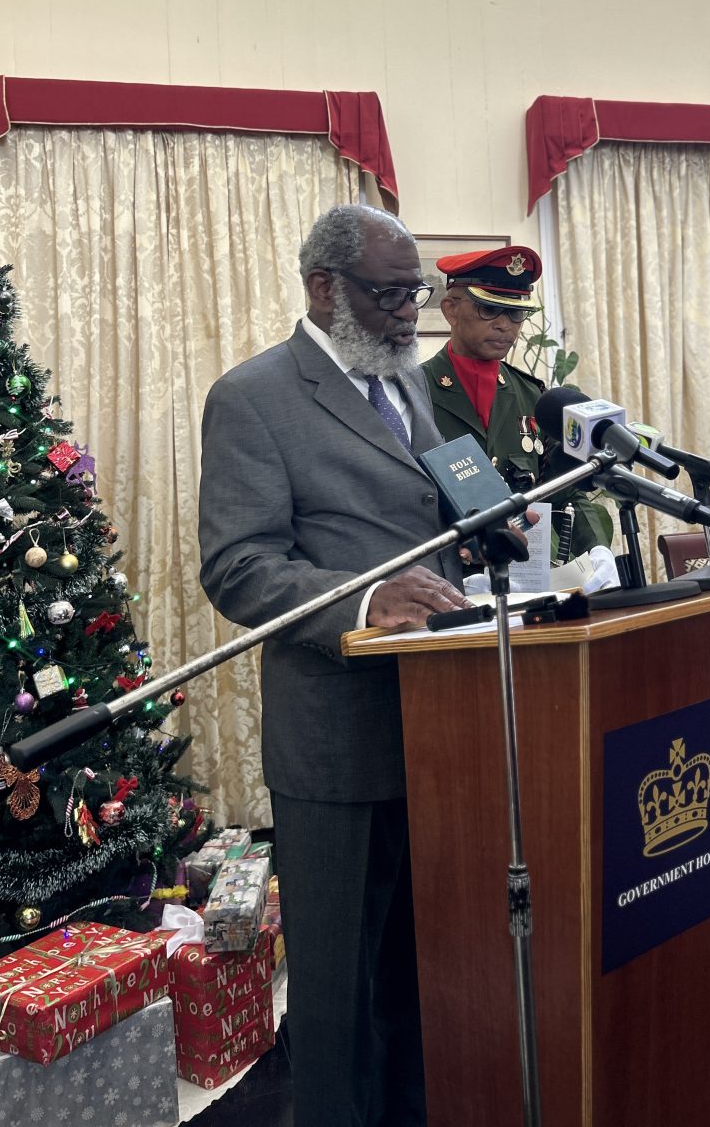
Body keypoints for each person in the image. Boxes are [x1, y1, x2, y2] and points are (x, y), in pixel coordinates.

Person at [198, 204, 473, 1127]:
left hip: (440, 721)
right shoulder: (253, 397)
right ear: (324, 287)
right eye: (390, 296)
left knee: (418, 970)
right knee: (339, 985)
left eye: (415, 295)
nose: (409, 316)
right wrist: (365, 599)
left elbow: (438, 499)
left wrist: (495, 520)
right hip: (338, 738)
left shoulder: (406, 380)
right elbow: (238, 567)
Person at [421, 245, 612, 560]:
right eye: (488, 309)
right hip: (447, 572)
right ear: (451, 310)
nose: (504, 325)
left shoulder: (533, 396)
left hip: (526, 568)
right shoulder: (415, 392)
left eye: (515, 312)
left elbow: (566, 490)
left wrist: (596, 548)